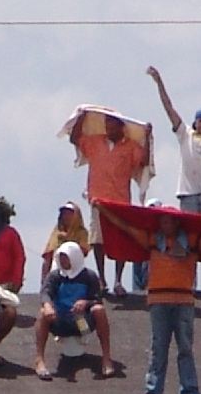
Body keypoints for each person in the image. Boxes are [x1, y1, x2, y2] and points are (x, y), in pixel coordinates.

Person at [99, 204, 201, 394]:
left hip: (184, 302)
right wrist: (105, 210)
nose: (164, 225)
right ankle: (153, 391)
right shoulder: (153, 240)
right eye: (162, 221)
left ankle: (190, 391)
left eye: (168, 221)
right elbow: (125, 226)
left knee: (185, 348)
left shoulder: (192, 240)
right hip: (158, 301)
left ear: (176, 222)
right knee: (158, 348)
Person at [147, 65, 201, 293]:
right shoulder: (187, 135)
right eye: (200, 121)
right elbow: (169, 109)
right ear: (195, 123)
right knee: (187, 240)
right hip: (189, 195)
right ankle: (187, 282)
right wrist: (159, 82)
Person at [64, 111, 150, 292]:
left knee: (121, 241)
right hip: (98, 199)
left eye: (113, 127)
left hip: (121, 200)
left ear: (121, 128)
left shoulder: (131, 146)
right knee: (98, 240)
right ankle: (102, 280)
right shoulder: (96, 141)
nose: (109, 131)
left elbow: (143, 162)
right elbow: (74, 139)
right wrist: (82, 116)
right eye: (107, 127)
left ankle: (118, 280)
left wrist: (148, 137)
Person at [33, 241, 114, 380]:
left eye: (66, 257)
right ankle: (39, 360)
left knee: (99, 310)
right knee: (42, 313)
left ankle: (106, 359)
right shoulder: (55, 276)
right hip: (60, 321)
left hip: (81, 322)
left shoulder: (89, 276)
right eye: (61, 257)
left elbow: (97, 300)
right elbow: (45, 293)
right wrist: (48, 306)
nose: (63, 260)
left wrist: (86, 303)